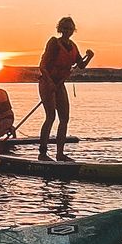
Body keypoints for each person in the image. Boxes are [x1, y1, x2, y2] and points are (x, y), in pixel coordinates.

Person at [37, 17, 93, 161]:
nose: (67, 31)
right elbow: (42, 66)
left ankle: (60, 154)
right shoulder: (54, 43)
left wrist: (89, 57)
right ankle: (42, 153)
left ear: (73, 30)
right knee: (50, 117)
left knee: (64, 118)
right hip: (47, 82)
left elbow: (81, 65)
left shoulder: (73, 46)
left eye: (70, 28)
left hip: (60, 84)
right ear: (60, 29)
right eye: (65, 28)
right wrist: (49, 82)